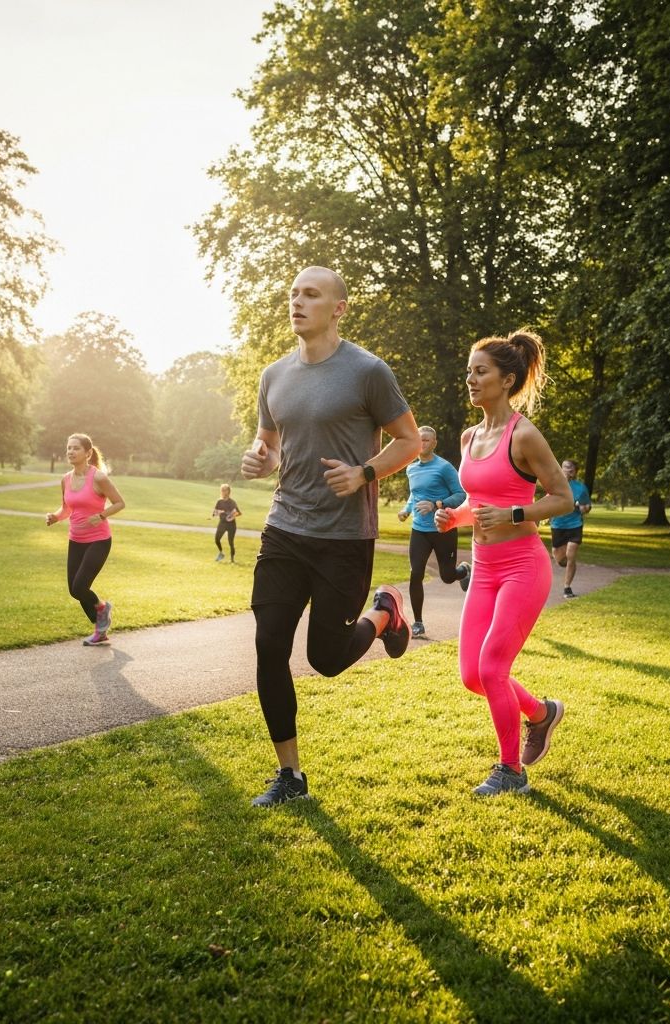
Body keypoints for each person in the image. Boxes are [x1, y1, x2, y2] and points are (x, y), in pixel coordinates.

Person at [241, 265, 421, 808]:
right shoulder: (273, 375)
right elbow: (269, 441)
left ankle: (385, 611)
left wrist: (365, 473)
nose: (297, 301)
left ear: (338, 308)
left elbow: (409, 440)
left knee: (326, 658)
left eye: (311, 294)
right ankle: (290, 776)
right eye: (293, 292)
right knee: (269, 643)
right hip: (285, 528)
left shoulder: (367, 371)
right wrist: (260, 456)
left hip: (344, 537)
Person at [434, 330, 574, 797]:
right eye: (469, 371)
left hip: (523, 566)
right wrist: (454, 516)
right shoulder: (470, 436)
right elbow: (478, 500)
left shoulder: (525, 434)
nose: (471, 379)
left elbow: (563, 499)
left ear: (506, 379)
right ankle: (541, 712)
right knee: (473, 676)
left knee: (493, 668)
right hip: (485, 567)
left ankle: (511, 771)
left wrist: (515, 513)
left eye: (480, 371)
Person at [46, 434, 126, 646]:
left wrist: (101, 515)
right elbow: (67, 509)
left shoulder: (98, 478)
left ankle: (101, 609)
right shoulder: (66, 479)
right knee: (74, 590)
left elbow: (119, 503)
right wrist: (55, 517)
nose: (70, 452)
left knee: (81, 586)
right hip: (76, 539)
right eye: (68, 448)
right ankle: (101, 628)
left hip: (99, 539)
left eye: (76, 448)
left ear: (88, 453)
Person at [397, 426, 470, 637]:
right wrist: (406, 509)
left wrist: (436, 504)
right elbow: (415, 495)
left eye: (427, 440)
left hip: (443, 528)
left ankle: (463, 571)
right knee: (415, 573)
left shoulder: (444, 468)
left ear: (434, 443)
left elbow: (460, 494)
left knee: (447, 576)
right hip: (419, 530)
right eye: (419, 440)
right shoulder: (411, 468)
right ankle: (418, 622)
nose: (422, 444)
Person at [549, 459, 592, 598]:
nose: (568, 470)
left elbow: (587, 507)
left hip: (575, 525)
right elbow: (547, 501)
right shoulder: (554, 485)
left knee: (571, 554)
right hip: (558, 525)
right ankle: (567, 563)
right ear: (561, 469)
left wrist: (582, 508)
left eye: (571, 468)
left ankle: (567, 587)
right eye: (565, 467)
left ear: (574, 472)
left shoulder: (580, 488)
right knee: (559, 557)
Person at [211, 484, 242, 563]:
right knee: (217, 539)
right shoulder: (219, 501)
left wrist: (232, 515)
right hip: (222, 523)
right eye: (222, 490)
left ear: (229, 492)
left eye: (225, 490)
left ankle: (232, 560)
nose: (224, 492)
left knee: (230, 542)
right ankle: (221, 553)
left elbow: (238, 513)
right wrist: (219, 512)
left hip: (231, 525)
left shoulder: (232, 502)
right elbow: (214, 513)